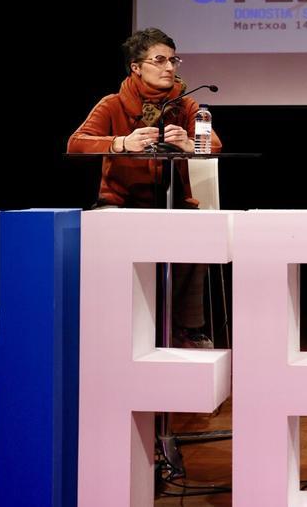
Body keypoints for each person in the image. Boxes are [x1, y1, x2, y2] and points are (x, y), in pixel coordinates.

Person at [67, 28, 223, 349]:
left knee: (201, 233)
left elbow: (215, 146)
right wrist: (121, 143)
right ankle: (114, 331)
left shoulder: (186, 104)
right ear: (136, 67)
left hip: (174, 204)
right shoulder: (113, 104)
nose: (169, 67)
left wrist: (190, 144)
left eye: (173, 60)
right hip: (121, 204)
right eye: (160, 60)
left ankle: (186, 328)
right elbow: (76, 143)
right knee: (112, 234)